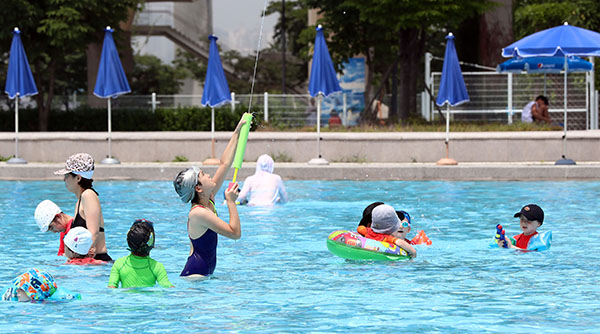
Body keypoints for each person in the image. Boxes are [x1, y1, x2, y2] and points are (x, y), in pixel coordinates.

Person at [173, 114, 248, 279]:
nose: (208, 176)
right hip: (195, 275)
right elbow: (235, 233)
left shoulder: (209, 199)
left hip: (204, 274)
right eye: (204, 174)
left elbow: (225, 164)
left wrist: (238, 130)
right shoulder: (198, 213)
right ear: (198, 188)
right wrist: (230, 202)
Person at [54, 153, 112, 262]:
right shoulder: (81, 200)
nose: (64, 179)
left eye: (67, 176)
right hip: (88, 262)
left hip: (96, 262)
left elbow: (93, 233)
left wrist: (80, 259)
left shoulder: (88, 195)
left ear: (78, 178)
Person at [108, 219, 173, 288]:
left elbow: (111, 287)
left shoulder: (119, 264)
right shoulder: (157, 266)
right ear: (151, 243)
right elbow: (167, 286)